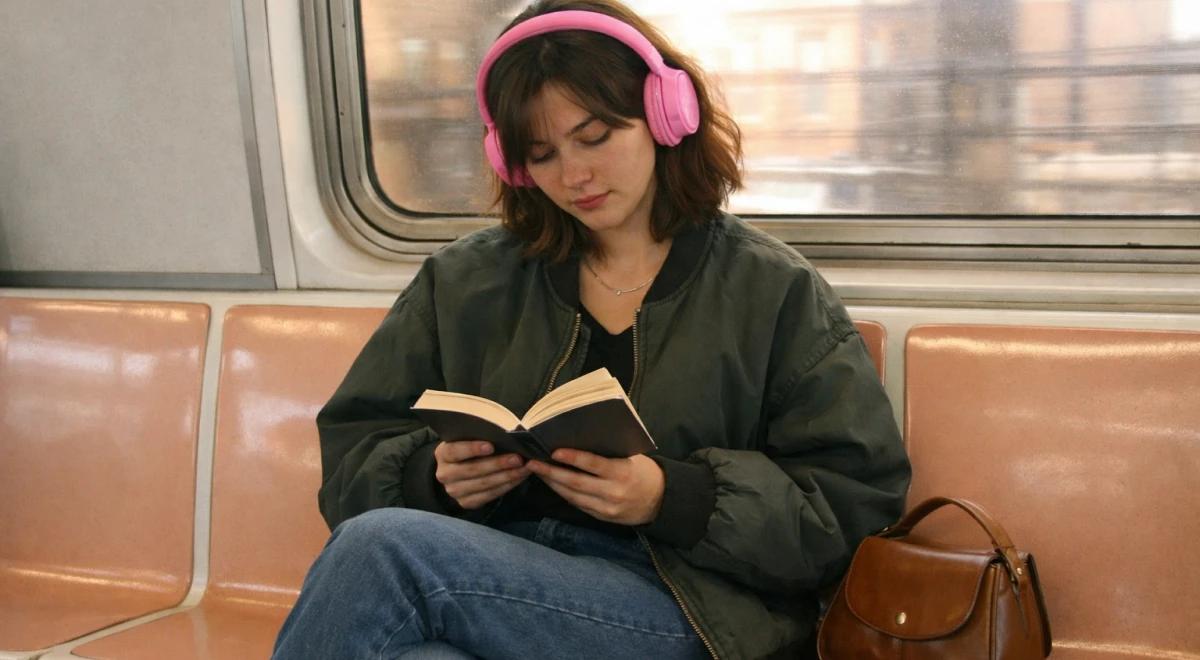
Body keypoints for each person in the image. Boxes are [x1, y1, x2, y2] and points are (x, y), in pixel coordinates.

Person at [272, 1, 910, 658]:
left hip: (686, 605)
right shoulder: (461, 283)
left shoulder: (773, 292)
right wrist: (428, 481)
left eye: (596, 136)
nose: (573, 176)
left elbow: (854, 505)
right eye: (542, 154)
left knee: (383, 553)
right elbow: (350, 456)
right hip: (500, 575)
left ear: (666, 113)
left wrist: (672, 497)